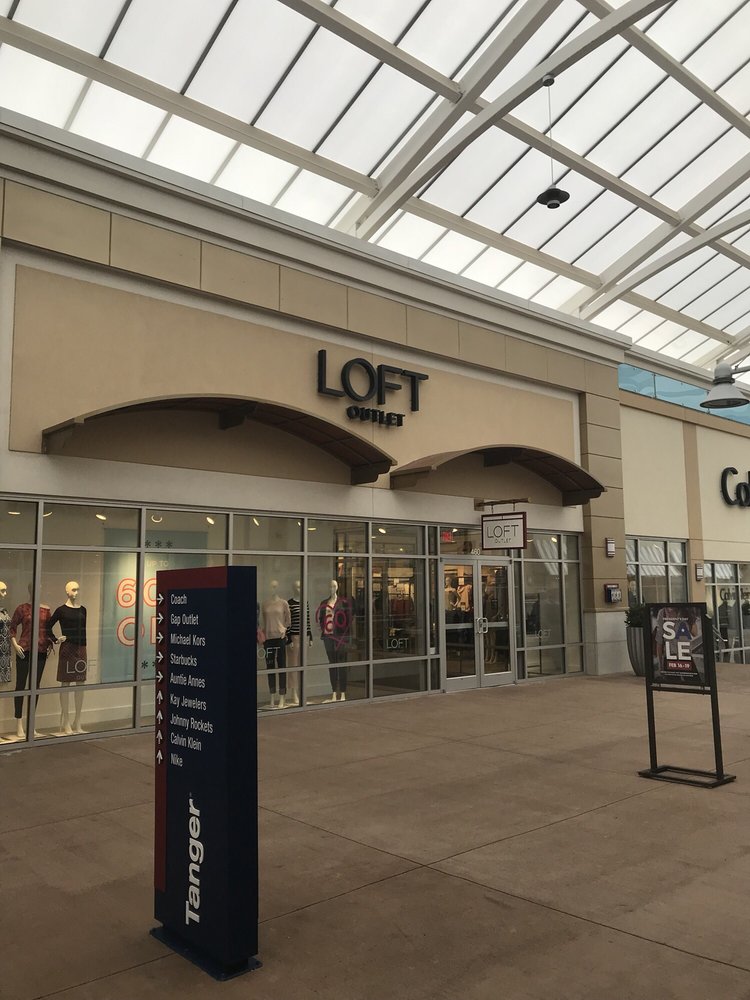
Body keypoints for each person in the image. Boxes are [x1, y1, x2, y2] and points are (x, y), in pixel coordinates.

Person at [48, 581, 88, 735]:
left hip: (81, 648)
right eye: (73, 589)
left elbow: (83, 630)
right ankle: (66, 721)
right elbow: (48, 626)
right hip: (67, 648)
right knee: (65, 683)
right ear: (67, 591)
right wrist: (56, 639)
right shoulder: (61, 610)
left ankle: (78, 721)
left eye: (78, 589)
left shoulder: (83, 609)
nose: (76, 592)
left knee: (80, 683)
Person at [261, 579, 291, 709]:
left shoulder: (283, 603)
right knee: (270, 667)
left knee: (282, 666)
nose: (274, 589)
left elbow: (288, 621)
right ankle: (272, 696)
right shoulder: (265, 604)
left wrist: (283, 630)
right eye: (272, 586)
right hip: (268, 639)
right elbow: (263, 621)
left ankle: (282, 696)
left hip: (280, 638)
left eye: (276, 586)